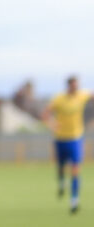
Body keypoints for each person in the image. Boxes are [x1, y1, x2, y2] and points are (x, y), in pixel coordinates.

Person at [42, 75, 91, 214]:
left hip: (75, 138)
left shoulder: (82, 95)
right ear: (68, 86)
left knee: (75, 169)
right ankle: (62, 182)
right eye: (73, 86)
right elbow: (45, 114)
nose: (76, 88)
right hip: (60, 138)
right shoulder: (59, 99)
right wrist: (51, 124)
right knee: (61, 167)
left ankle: (74, 200)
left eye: (77, 85)